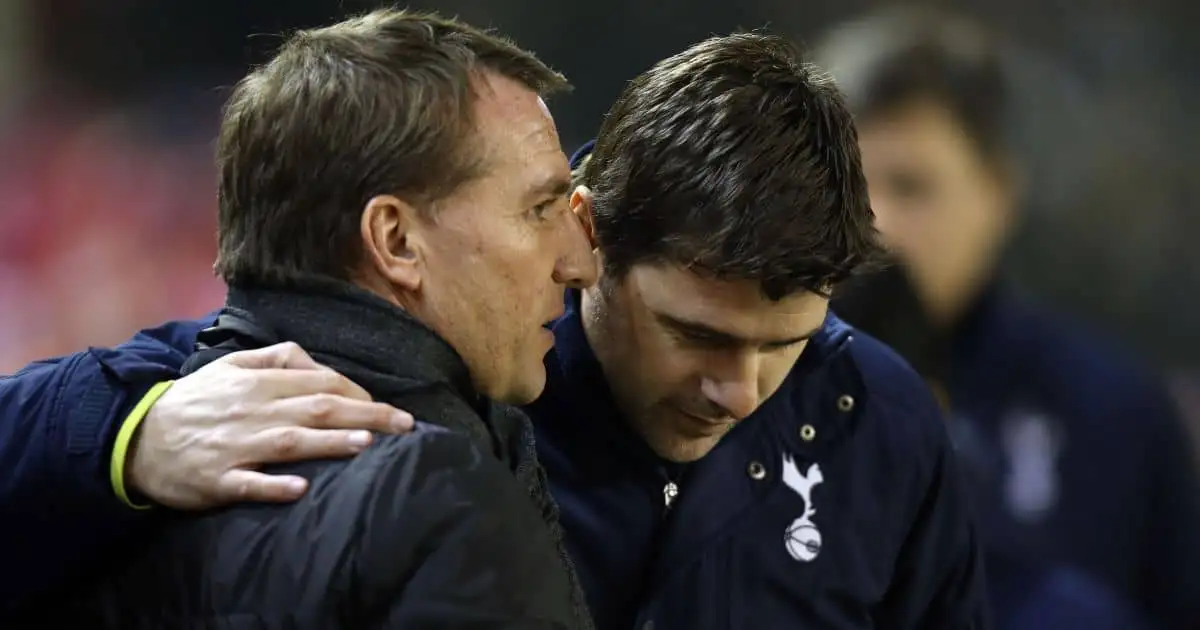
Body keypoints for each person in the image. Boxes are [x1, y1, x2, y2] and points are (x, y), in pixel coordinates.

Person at [2, 31, 989, 630]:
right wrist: (133, 436)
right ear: (589, 232)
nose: (738, 388)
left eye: (784, 347)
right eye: (696, 335)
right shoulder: (461, 359)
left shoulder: (878, 417)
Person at [5, 9, 598, 628]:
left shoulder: (74, 502)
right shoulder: (442, 502)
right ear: (395, 241)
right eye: (539, 209)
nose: (578, 262)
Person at [817, 8, 1200, 629]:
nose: (874, 225)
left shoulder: (1113, 409)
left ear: (998, 194)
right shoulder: (734, 386)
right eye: (846, 186)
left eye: (911, 186)